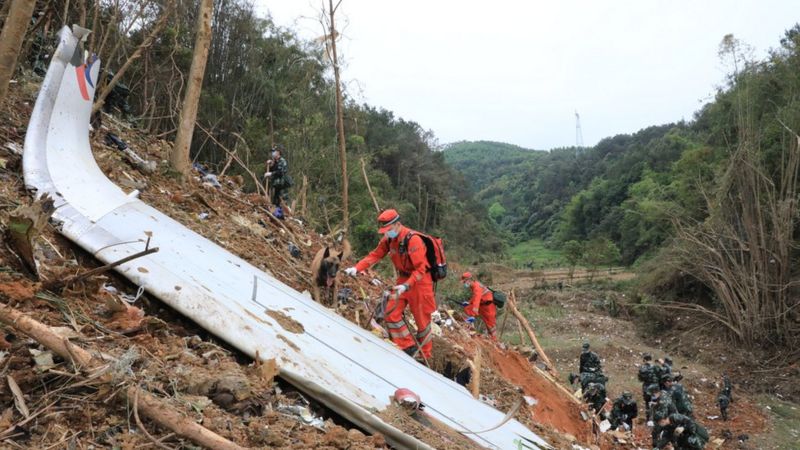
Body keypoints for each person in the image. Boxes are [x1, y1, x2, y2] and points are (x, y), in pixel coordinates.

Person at [344, 209, 436, 360]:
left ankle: (424, 356)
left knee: (422, 322)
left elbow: (421, 268)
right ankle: (408, 347)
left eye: (389, 230)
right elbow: (375, 255)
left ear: (398, 224)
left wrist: (407, 285)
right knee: (391, 313)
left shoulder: (413, 240)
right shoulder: (388, 240)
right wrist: (357, 268)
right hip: (403, 279)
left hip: (420, 282)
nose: (387, 233)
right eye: (385, 231)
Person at [460, 272, 497, 340]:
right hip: (483, 305)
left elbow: (477, 299)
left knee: (491, 324)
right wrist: (469, 302)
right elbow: (475, 297)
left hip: (488, 306)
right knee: (467, 309)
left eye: (465, 282)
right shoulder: (474, 285)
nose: (464, 283)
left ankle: (494, 340)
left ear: (469, 280)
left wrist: (474, 311)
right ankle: (467, 326)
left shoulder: (477, 287)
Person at [264, 144, 291, 212]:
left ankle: (286, 214)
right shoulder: (275, 161)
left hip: (282, 185)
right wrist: (270, 165)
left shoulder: (282, 161)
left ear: (278, 152)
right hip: (277, 185)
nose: (272, 153)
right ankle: (276, 214)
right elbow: (273, 169)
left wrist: (271, 174)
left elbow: (280, 172)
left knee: (283, 202)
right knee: (275, 202)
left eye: (274, 151)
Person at [638, 353, 661, 419]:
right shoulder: (656, 367)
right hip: (656, 388)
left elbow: (640, 379)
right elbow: (661, 376)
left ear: (645, 360)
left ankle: (649, 419)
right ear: (651, 359)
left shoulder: (642, 368)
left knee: (647, 404)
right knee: (656, 403)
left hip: (646, 388)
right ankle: (656, 419)